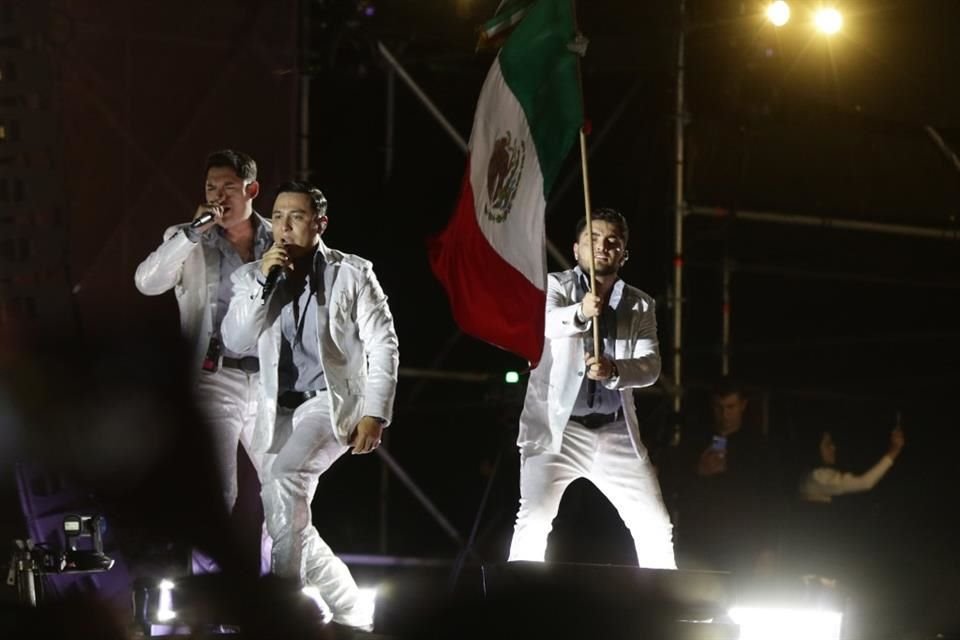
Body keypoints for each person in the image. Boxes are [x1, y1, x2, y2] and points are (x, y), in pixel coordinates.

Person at [220, 180, 398, 631]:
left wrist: (375, 413)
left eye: (295, 217)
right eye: (277, 216)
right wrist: (263, 282)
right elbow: (235, 339)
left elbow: (384, 344)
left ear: (320, 222)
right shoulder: (251, 277)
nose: (283, 226)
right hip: (274, 409)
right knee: (284, 522)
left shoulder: (353, 273)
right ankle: (353, 611)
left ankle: (280, 617)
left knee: (284, 480)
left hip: (329, 404)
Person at [506, 208, 676, 569]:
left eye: (612, 241)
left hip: (615, 430)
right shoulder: (555, 286)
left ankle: (665, 605)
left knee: (655, 524)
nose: (602, 246)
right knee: (534, 517)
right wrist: (580, 313)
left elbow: (650, 367)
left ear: (624, 253)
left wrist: (615, 370)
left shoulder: (639, 303)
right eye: (592, 239)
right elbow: (543, 326)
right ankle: (518, 601)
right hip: (561, 429)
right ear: (576, 248)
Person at [134, 150, 272, 572]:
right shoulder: (185, 237)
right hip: (214, 377)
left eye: (228, 187)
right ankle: (210, 598)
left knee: (283, 488)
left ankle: (279, 592)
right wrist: (191, 234)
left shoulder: (276, 236)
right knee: (219, 491)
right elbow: (147, 282)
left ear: (251, 189)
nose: (218, 196)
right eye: (211, 187)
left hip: (267, 379)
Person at [666, 378, 780, 573]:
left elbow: (771, 500)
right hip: (700, 543)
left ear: (742, 406)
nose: (725, 414)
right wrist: (699, 471)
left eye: (730, 407)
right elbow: (673, 488)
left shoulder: (758, 448)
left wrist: (768, 548)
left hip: (743, 544)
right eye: (719, 407)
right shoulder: (694, 443)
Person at [798, 426, 905, 503]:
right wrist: (895, 449)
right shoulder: (819, 475)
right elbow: (865, 482)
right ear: (814, 449)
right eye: (827, 444)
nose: (833, 447)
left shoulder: (807, 475)